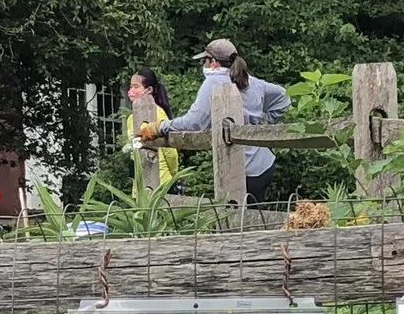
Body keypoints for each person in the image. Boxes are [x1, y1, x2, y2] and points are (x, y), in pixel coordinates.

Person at [161, 38, 289, 201]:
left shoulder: (213, 82)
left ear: (213, 62)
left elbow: (194, 122)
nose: (203, 65)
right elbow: (284, 96)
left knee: (235, 214)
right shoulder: (252, 81)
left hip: (239, 168)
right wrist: (262, 121)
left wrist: (162, 127)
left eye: (204, 61)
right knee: (255, 212)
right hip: (263, 164)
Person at [123, 66, 178, 187]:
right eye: (131, 87)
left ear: (149, 90)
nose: (131, 91)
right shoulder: (131, 118)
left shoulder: (159, 113)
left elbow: (170, 151)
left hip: (161, 180)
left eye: (136, 87)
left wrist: (173, 174)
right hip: (139, 181)